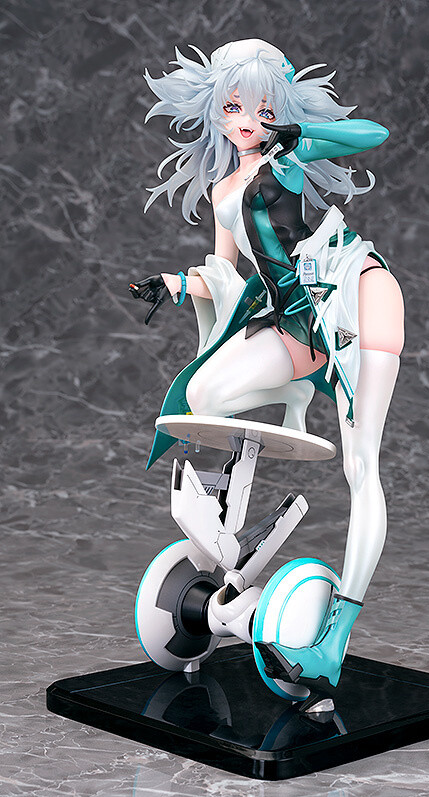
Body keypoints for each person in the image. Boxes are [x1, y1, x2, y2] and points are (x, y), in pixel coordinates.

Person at [130, 39, 405, 689]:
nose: (249, 120)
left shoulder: (288, 156)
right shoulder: (224, 187)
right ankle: (292, 404)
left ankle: (335, 635)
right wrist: (174, 284)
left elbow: (374, 133)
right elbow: (225, 273)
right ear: (216, 111)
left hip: (355, 292)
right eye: (234, 106)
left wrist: (299, 134)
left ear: (279, 111)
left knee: (361, 464)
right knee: (202, 394)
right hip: (292, 318)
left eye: (264, 108)